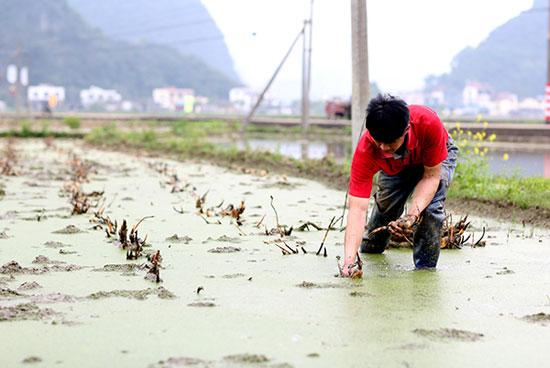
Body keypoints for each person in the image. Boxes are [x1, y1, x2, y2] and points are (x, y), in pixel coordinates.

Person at [340, 94, 458, 277]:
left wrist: (411, 215)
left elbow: (430, 177)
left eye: (390, 142)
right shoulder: (369, 149)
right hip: (394, 166)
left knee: (430, 210)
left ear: (406, 130)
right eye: (378, 141)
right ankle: (372, 247)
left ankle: (425, 271)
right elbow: (357, 208)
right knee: (386, 205)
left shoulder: (428, 123)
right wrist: (348, 261)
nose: (383, 148)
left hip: (433, 158)